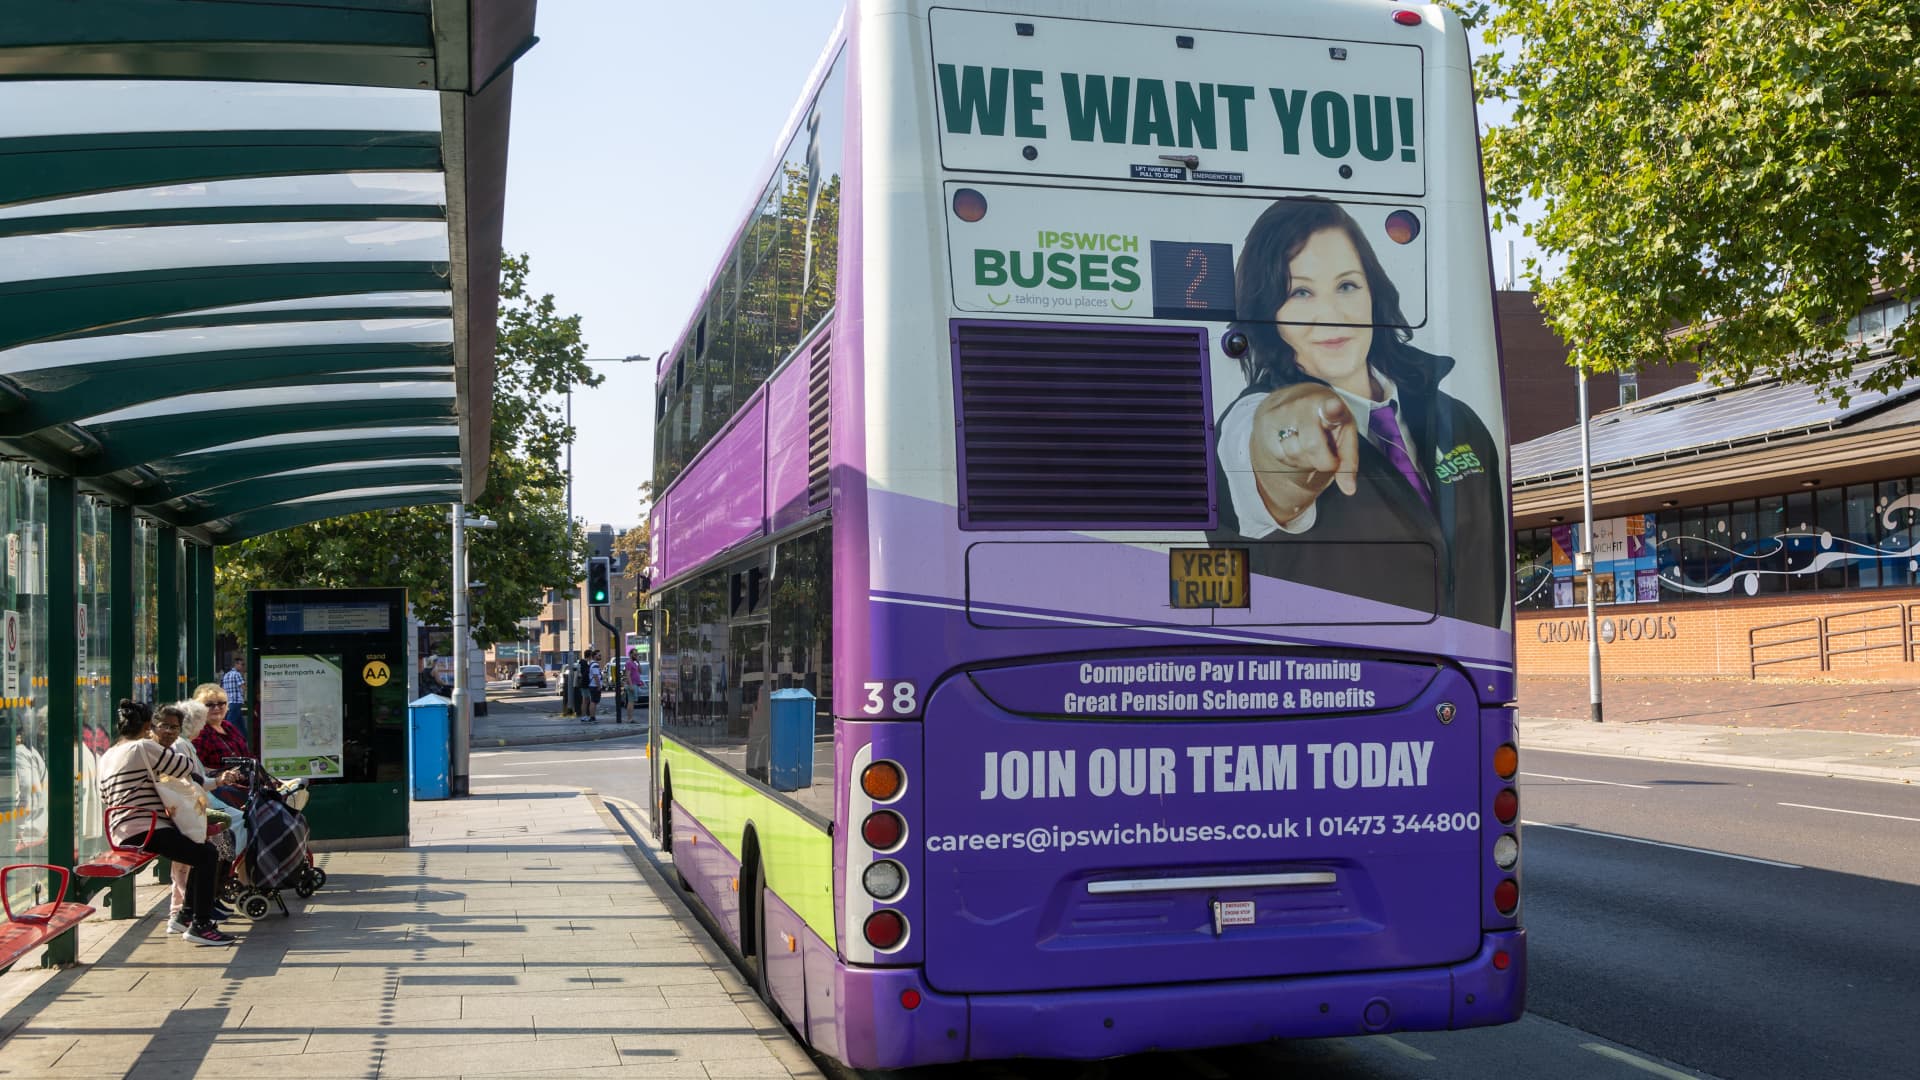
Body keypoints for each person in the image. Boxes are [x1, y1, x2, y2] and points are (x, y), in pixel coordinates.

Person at [1213, 196, 1505, 626]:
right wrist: (1289, 442)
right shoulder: (1246, 420)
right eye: (1300, 292)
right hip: (1328, 689)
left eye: (1347, 285)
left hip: (1461, 680)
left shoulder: (1458, 422)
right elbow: (1262, 443)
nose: (1331, 314)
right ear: (1268, 315)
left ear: (1373, 293)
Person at [97, 700, 234, 946]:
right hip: (145, 827)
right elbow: (185, 766)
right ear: (149, 725)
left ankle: (185, 916)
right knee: (206, 854)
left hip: (121, 829)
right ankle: (200, 925)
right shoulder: (142, 747)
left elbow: (105, 796)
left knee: (200, 852)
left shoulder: (109, 754)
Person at [152, 703, 239, 932]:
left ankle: (199, 905)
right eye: (166, 726)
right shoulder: (165, 749)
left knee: (221, 837)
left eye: (175, 727)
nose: (171, 732)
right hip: (173, 815)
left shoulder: (179, 747)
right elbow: (186, 783)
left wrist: (219, 781)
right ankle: (190, 913)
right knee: (210, 846)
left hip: (182, 811)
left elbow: (195, 781)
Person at [191, 682, 253, 789]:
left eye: (221, 703)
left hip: (247, 788)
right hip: (221, 793)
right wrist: (221, 775)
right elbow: (195, 769)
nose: (216, 708)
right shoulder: (199, 732)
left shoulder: (228, 726)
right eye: (209, 705)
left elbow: (248, 756)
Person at [219, 656, 247, 731]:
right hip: (236, 701)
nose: (243, 666)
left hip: (229, 702)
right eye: (242, 664)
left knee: (240, 725)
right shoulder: (237, 674)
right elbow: (243, 687)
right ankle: (225, 739)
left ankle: (245, 739)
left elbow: (222, 688)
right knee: (229, 724)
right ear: (236, 664)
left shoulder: (226, 675)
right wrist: (244, 696)